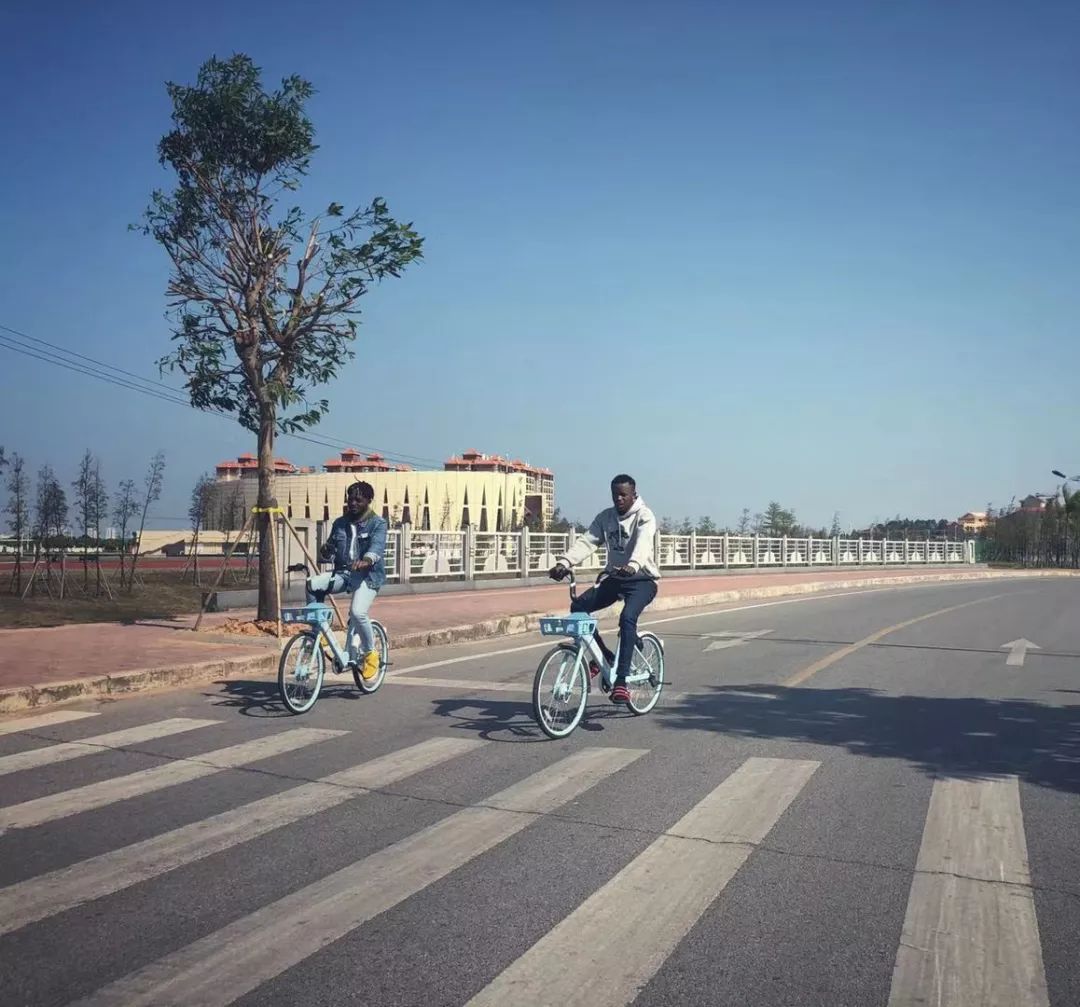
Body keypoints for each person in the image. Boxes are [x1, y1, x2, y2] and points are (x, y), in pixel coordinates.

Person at [549, 474, 659, 704]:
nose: (618, 499)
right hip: (614, 577)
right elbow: (588, 542)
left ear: (634, 494)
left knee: (627, 618)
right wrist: (564, 563)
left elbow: (643, 543)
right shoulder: (605, 518)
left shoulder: (644, 516)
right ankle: (606, 656)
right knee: (578, 606)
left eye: (623, 495)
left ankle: (621, 681)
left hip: (641, 580)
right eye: (615, 494)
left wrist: (633, 566)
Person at [309, 480, 388, 681]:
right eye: (350, 499)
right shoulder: (339, 523)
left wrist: (367, 560)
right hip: (344, 574)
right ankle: (320, 631)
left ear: (369, 501)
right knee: (312, 584)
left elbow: (377, 548)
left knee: (357, 612)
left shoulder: (378, 523)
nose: (352, 503)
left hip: (368, 576)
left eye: (358, 500)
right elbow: (331, 546)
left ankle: (371, 654)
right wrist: (326, 550)